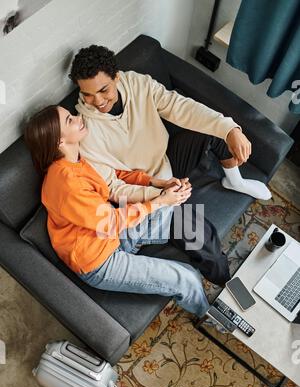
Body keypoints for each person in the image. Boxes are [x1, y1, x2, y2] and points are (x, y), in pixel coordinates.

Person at [68, 44, 271, 285]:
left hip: (165, 162)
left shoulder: (137, 83)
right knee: (201, 239)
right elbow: (113, 188)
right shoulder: (84, 132)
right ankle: (226, 283)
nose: (97, 101)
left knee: (215, 130)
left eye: (104, 90)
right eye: (87, 94)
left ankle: (235, 180)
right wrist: (161, 195)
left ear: (117, 77)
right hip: (143, 194)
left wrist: (230, 129)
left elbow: (180, 107)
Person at [24, 105, 210, 321]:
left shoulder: (75, 160)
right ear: (59, 141)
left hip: (113, 238)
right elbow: (109, 222)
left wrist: (158, 183)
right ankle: (208, 317)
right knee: (187, 278)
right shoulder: (65, 182)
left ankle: (142, 247)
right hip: (99, 262)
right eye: (69, 120)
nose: (78, 118)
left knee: (169, 198)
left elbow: (114, 175)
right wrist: (159, 201)